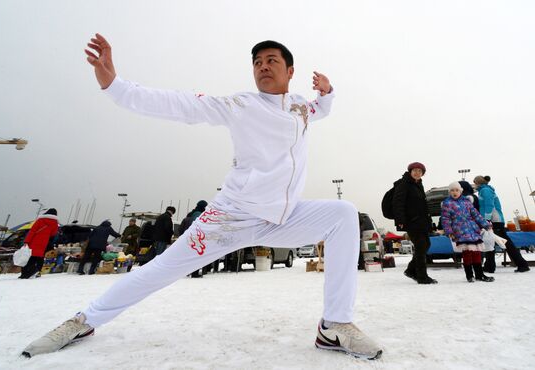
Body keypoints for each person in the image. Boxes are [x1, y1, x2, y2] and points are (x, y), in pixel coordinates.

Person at [21, 34, 382, 360]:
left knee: (342, 214)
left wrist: (327, 91)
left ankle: (333, 326)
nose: (263, 67)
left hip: (282, 217)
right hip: (230, 218)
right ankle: (83, 320)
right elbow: (181, 105)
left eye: (271, 60)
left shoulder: (302, 107)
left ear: (290, 71)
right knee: (160, 270)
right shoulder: (240, 105)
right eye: (257, 63)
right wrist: (116, 87)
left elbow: (323, 108)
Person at [393, 162, 438, 284]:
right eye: (415, 170)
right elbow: (398, 202)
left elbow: (422, 206)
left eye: (420, 171)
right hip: (412, 221)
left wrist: (429, 223)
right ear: (410, 171)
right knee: (420, 247)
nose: (417, 173)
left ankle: (411, 270)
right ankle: (422, 276)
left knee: (425, 245)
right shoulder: (404, 184)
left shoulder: (418, 184)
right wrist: (400, 220)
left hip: (421, 221)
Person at [474, 175, 530, 273]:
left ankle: (522, 264)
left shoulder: (485, 190)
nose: (474, 185)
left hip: (494, 220)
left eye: (475, 183)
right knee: (490, 241)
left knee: (505, 242)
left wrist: (486, 219)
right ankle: (489, 266)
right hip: (492, 220)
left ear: (478, 182)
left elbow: (489, 205)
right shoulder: (484, 190)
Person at [441, 182, 494, 282]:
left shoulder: (467, 201)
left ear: (460, 191)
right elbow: (445, 219)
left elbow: (476, 215)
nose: (454, 192)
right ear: (449, 192)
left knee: (476, 252)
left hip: (473, 229)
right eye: (452, 190)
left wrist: (485, 224)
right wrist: (449, 231)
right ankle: (469, 275)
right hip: (460, 230)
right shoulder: (447, 203)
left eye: (456, 190)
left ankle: (479, 274)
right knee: (467, 252)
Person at [19, 209, 59, 279]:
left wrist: (26, 241)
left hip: (33, 242)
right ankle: (37, 271)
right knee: (39, 258)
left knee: (29, 258)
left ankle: (26, 273)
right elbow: (53, 233)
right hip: (44, 243)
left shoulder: (40, 220)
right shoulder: (55, 222)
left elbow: (32, 231)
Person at [179, 200, 209, 277]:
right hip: (196, 238)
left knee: (187, 256)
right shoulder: (200, 214)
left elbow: (181, 228)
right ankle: (194, 273)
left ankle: (185, 271)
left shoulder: (190, 214)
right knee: (195, 256)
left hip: (186, 238)